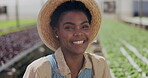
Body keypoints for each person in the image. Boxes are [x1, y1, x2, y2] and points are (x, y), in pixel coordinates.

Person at [23, 0, 111, 78]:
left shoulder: (99, 65)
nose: (78, 33)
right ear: (56, 32)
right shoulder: (40, 70)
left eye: (84, 26)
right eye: (69, 27)